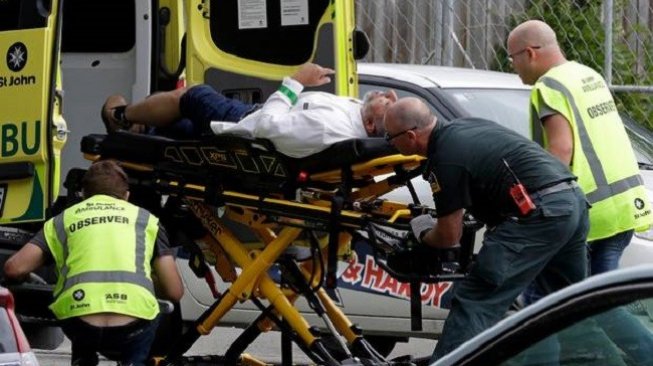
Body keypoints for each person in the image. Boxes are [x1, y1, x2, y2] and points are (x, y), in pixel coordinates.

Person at [383, 97, 590, 361]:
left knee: (475, 301)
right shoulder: (466, 127)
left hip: (540, 214)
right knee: (572, 303)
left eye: (390, 138)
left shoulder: (445, 158)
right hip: (572, 201)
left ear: (411, 136)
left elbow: (448, 236)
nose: (389, 143)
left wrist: (423, 231)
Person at [507, 20, 653, 280]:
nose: (513, 66)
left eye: (512, 58)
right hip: (624, 206)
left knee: (551, 298)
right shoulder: (587, 75)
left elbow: (561, 150)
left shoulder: (549, 88)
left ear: (529, 53)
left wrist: (537, 202)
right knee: (598, 301)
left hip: (589, 214)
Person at [3, 160, 184, 366]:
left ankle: (83, 359)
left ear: (83, 195)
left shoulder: (63, 220)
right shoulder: (147, 221)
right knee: (149, 326)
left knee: (80, 324)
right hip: (133, 324)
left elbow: (14, 268)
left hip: (81, 322)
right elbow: (174, 291)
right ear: (126, 196)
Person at [101, 63, 397, 158]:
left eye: (390, 103)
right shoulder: (359, 117)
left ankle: (122, 116)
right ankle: (143, 130)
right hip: (253, 117)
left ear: (372, 125)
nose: (388, 95)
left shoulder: (328, 128)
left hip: (247, 125)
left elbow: (267, 127)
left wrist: (295, 83)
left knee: (194, 95)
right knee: (182, 132)